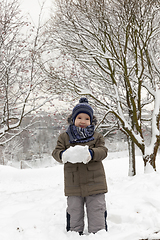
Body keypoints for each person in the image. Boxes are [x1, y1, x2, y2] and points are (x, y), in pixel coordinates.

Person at [52, 97, 108, 235]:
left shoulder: (97, 136)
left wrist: (91, 153)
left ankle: (99, 234)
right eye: (79, 118)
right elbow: (56, 152)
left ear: (91, 121)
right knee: (74, 210)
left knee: (97, 209)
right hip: (73, 183)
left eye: (87, 118)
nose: (83, 121)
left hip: (95, 182)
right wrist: (64, 155)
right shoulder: (64, 137)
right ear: (73, 119)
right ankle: (74, 234)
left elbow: (103, 151)